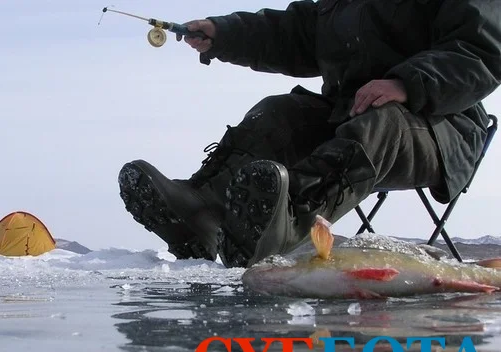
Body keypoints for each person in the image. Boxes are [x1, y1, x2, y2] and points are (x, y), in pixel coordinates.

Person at [118, 0, 501, 269]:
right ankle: (201, 211)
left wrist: (407, 83)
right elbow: (295, 33)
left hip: (439, 123)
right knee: (279, 113)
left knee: (379, 121)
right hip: (348, 114)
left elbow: (482, 49)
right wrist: (225, 33)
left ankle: (286, 220)